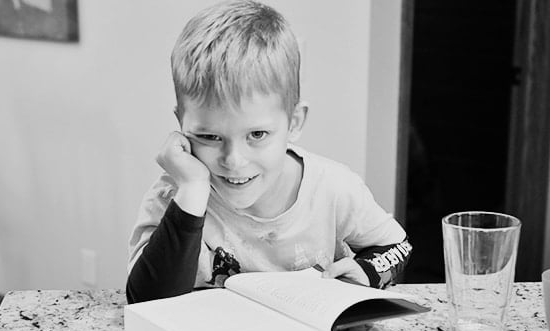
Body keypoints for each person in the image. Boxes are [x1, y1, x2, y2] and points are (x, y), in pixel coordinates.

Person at [126, 0, 412, 304]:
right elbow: (147, 302)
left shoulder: (333, 188)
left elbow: (397, 245)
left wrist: (366, 271)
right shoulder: (174, 196)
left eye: (257, 134)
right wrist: (193, 191)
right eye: (209, 136)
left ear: (294, 122)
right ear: (181, 124)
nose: (234, 160)